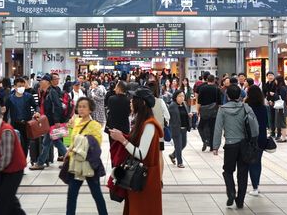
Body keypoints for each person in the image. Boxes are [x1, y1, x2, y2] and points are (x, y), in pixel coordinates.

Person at [109, 87, 163, 215]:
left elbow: (140, 153)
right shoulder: (141, 122)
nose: (130, 102)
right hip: (139, 177)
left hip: (145, 179)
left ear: (142, 103)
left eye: (133, 99)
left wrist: (122, 139)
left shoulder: (149, 125)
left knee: (141, 210)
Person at [213, 84, 259, 209]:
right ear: (240, 95)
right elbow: (255, 126)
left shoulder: (222, 109)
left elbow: (218, 129)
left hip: (230, 145)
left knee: (228, 171)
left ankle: (231, 192)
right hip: (244, 144)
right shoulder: (246, 107)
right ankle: (240, 201)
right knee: (242, 173)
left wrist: (215, 146)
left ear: (227, 96)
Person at [65, 97, 108, 215]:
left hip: (89, 163)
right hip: (75, 163)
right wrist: (69, 150)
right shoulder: (76, 122)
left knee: (97, 194)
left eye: (84, 107)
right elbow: (73, 140)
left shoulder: (95, 125)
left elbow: (96, 144)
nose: (81, 109)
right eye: (79, 106)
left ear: (90, 109)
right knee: (71, 195)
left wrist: (78, 144)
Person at [30, 73, 67, 170]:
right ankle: (69, 161)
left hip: (52, 122)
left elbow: (57, 106)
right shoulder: (44, 92)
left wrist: (57, 121)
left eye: (42, 81)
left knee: (51, 143)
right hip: (47, 121)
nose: (40, 82)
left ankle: (40, 163)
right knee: (53, 142)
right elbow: (41, 106)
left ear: (47, 82)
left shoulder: (52, 92)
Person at [5, 77, 40, 159]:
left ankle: (23, 161)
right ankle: (17, 161)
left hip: (27, 124)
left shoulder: (29, 96)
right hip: (15, 124)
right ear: (15, 86)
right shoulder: (10, 98)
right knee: (16, 144)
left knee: (25, 144)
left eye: (23, 86)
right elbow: (6, 112)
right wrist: (5, 123)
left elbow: (36, 106)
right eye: (19, 86)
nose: (21, 88)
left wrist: (37, 112)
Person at [245, 85, 268, 196]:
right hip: (261, 138)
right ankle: (256, 185)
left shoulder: (246, 107)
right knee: (257, 161)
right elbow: (266, 124)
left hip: (249, 138)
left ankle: (254, 186)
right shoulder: (263, 108)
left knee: (250, 162)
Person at [196, 73, 223, 152]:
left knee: (200, 126)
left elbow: (199, 101)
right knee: (212, 128)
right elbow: (220, 103)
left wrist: (198, 111)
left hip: (204, 112)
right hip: (214, 112)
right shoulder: (217, 89)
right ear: (214, 80)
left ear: (207, 80)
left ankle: (205, 140)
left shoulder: (202, 88)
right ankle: (212, 146)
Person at [168, 90, 192, 168]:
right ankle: (180, 162)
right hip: (176, 129)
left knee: (183, 144)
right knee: (178, 146)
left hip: (184, 128)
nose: (182, 98)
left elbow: (184, 114)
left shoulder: (184, 104)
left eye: (183, 96)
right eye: (180, 96)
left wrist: (189, 115)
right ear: (175, 97)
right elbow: (169, 117)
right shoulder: (172, 105)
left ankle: (172, 155)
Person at [274, 75, 287, 143]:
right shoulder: (281, 88)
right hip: (280, 106)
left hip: (281, 106)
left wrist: (273, 95)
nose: (275, 82)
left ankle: (284, 138)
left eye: (276, 80)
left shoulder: (282, 88)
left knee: (282, 121)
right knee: (280, 121)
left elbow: (282, 97)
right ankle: (282, 137)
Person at [263, 71, 277, 137]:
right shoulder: (266, 84)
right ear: (267, 77)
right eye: (269, 75)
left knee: (274, 117)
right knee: (269, 117)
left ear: (274, 76)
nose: (270, 77)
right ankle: (271, 130)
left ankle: (274, 131)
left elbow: (276, 93)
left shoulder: (275, 84)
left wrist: (272, 101)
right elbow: (264, 93)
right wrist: (266, 99)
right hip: (268, 102)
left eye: (271, 75)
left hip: (274, 103)